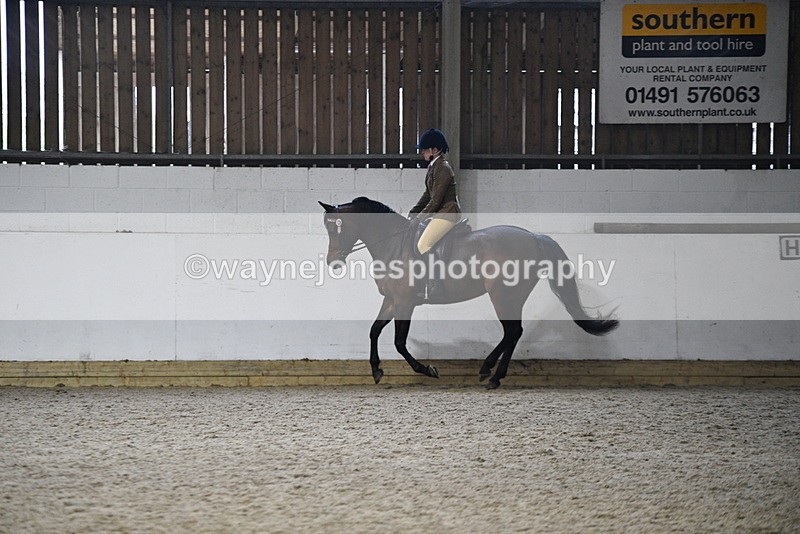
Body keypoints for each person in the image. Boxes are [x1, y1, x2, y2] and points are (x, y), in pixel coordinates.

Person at [408, 128, 462, 300]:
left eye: (424, 149)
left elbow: (436, 201)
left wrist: (418, 218)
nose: (422, 152)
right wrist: (414, 211)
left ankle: (436, 285)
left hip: (448, 213)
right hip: (440, 213)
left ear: (435, 150)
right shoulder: (434, 167)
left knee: (423, 245)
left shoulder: (443, 168)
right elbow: (427, 195)